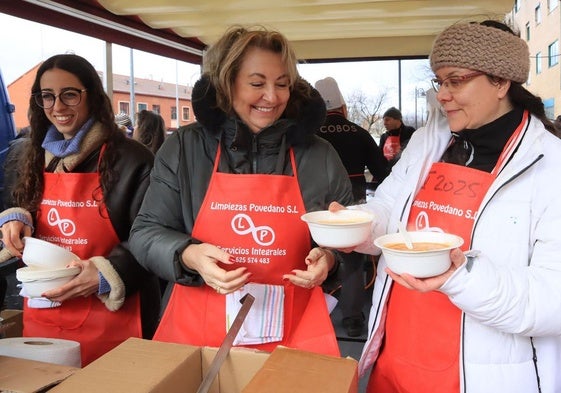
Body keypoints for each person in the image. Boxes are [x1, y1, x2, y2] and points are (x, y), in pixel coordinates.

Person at [331, 20, 561, 393]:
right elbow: (389, 208)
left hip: (481, 375)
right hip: (398, 359)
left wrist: (459, 277)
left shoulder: (549, 164)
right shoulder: (428, 141)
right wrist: (358, 226)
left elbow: (553, 299)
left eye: (456, 80)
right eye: (440, 81)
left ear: (501, 82)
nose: (443, 94)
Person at [129, 25, 354, 357]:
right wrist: (188, 255)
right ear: (227, 82)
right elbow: (145, 232)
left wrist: (331, 258)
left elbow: (351, 241)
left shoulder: (319, 155)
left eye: (282, 84)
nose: (273, 97)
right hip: (198, 328)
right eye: (257, 83)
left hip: (295, 331)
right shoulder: (185, 148)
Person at [0, 54, 160, 366]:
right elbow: (19, 202)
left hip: (115, 318)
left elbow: (154, 235)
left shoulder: (132, 159)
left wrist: (106, 275)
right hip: (47, 312)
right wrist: (16, 216)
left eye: (70, 94)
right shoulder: (32, 154)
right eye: (47, 96)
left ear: (93, 96)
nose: (58, 107)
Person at [314, 76, 388, 337]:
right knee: (352, 257)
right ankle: (353, 318)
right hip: (352, 202)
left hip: (315, 205)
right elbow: (383, 172)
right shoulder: (360, 133)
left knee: (312, 255)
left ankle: (312, 313)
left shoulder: (310, 135)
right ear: (344, 108)